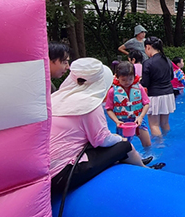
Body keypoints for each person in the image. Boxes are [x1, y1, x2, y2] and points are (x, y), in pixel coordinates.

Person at [50, 58, 146, 193]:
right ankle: (146, 172)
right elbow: (102, 140)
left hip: (45, 173)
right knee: (125, 145)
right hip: (64, 174)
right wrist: (120, 138)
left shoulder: (56, 98)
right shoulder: (89, 103)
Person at [105, 61, 151, 147]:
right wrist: (117, 121)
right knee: (124, 146)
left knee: (147, 144)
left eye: (130, 79)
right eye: (123, 80)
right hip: (123, 123)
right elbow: (109, 109)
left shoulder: (139, 88)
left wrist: (141, 117)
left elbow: (146, 104)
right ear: (117, 77)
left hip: (138, 120)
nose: (127, 82)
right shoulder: (112, 91)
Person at [141, 36, 175, 137]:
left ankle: (159, 147)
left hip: (155, 96)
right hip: (168, 94)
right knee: (165, 123)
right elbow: (171, 77)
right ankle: (167, 141)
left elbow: (145, 83)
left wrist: (139, 81)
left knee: (154, 125)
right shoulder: (167, 60)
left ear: (148, 47)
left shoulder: (148, 63)